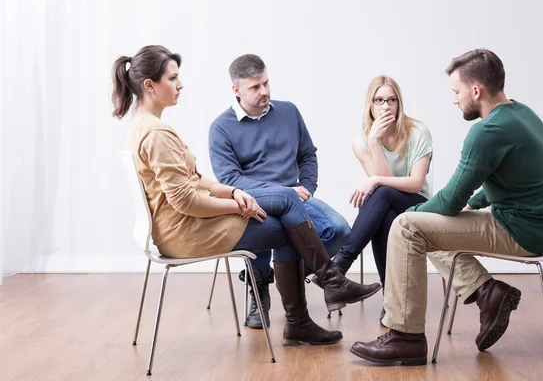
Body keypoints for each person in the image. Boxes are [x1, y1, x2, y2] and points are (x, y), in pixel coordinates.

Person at [111, 45, 381, 346]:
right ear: (150, 85)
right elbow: (185, 200)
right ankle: (312, 305)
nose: (181, 84)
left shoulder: (145, 126)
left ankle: (322, 292)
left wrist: (235, 193)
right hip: (184, 231)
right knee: (289, 223)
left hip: (181, 223)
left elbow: (196, 180)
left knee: (292, 210)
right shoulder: (159, 133)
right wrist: (238, 204)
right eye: (173, 78)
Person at [351, 49, 543, 365]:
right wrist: (473, 205)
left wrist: (412, 213)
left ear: (476, 90)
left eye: (456, 91)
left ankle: (405, 337)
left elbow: (449, 202)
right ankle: (487, 292)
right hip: (534, 223)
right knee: (426, 230)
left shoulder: (487, 131)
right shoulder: (522, 113)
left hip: (519, 230)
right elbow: (510, 180)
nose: (454, 99)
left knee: (408, 228)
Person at [208, 54, 351, 328]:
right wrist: (281, 192)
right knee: (273, 228)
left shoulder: (289, 111)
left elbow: (308, 155)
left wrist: (306, 188)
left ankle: (293, 274)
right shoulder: (220, 128)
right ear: (236, 90)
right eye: (255, 87)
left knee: (339, 228)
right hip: (255, 202)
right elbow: (229, 178)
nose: (264, 91)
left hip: (296, 198)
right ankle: (259, 284)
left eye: (266, 83)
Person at [312, 76, 432, 325]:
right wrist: (374, 142)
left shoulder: (418, 132)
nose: (385, 106)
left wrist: (374, 180)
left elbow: (416, 183)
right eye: (379, 100)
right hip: (387, 204)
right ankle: (390, 299)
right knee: (383, 212)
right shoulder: (361, 141)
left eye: (391, 100)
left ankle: (337, 269)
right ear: (370, 105)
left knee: (381, 193)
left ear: (399, 104)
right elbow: (384, 181)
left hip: (420, 204)